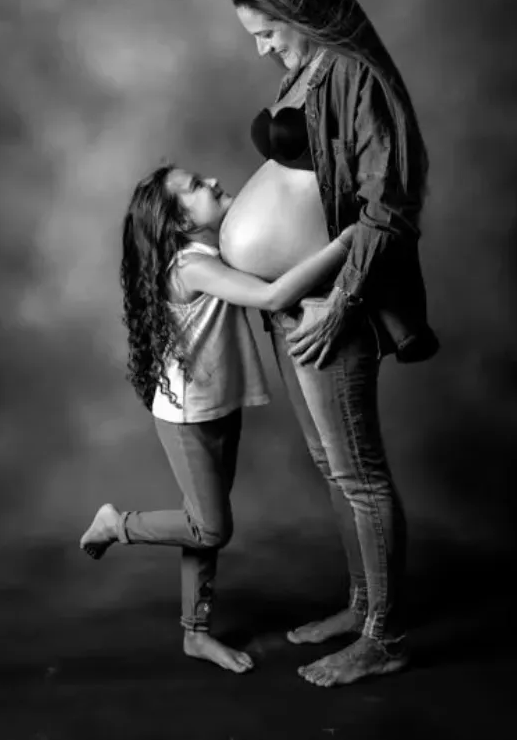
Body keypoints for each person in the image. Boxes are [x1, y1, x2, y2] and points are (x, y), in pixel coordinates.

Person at [220, 0, 439, 687]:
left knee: (358, 473)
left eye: (268, 32)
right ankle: (361, 606)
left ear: (303, 13)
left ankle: (385, 636)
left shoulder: (353, 74)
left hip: (333, 304)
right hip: (294, 302)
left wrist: (340, 300)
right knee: (331, 466)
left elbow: (389, 206)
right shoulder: (306, 69)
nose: (261, 49)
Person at [80, 164, 355, 675]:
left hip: (219, 405)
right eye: (194, 187)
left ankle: (196, 634)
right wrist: (345, 244)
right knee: (208, 528)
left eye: (201, 177)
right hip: (188, 420)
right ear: (180, 222)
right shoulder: (190, 267)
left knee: (200, 524)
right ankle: (117, 524)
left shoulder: (210, 253)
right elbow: (273, 296)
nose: (209, 182)